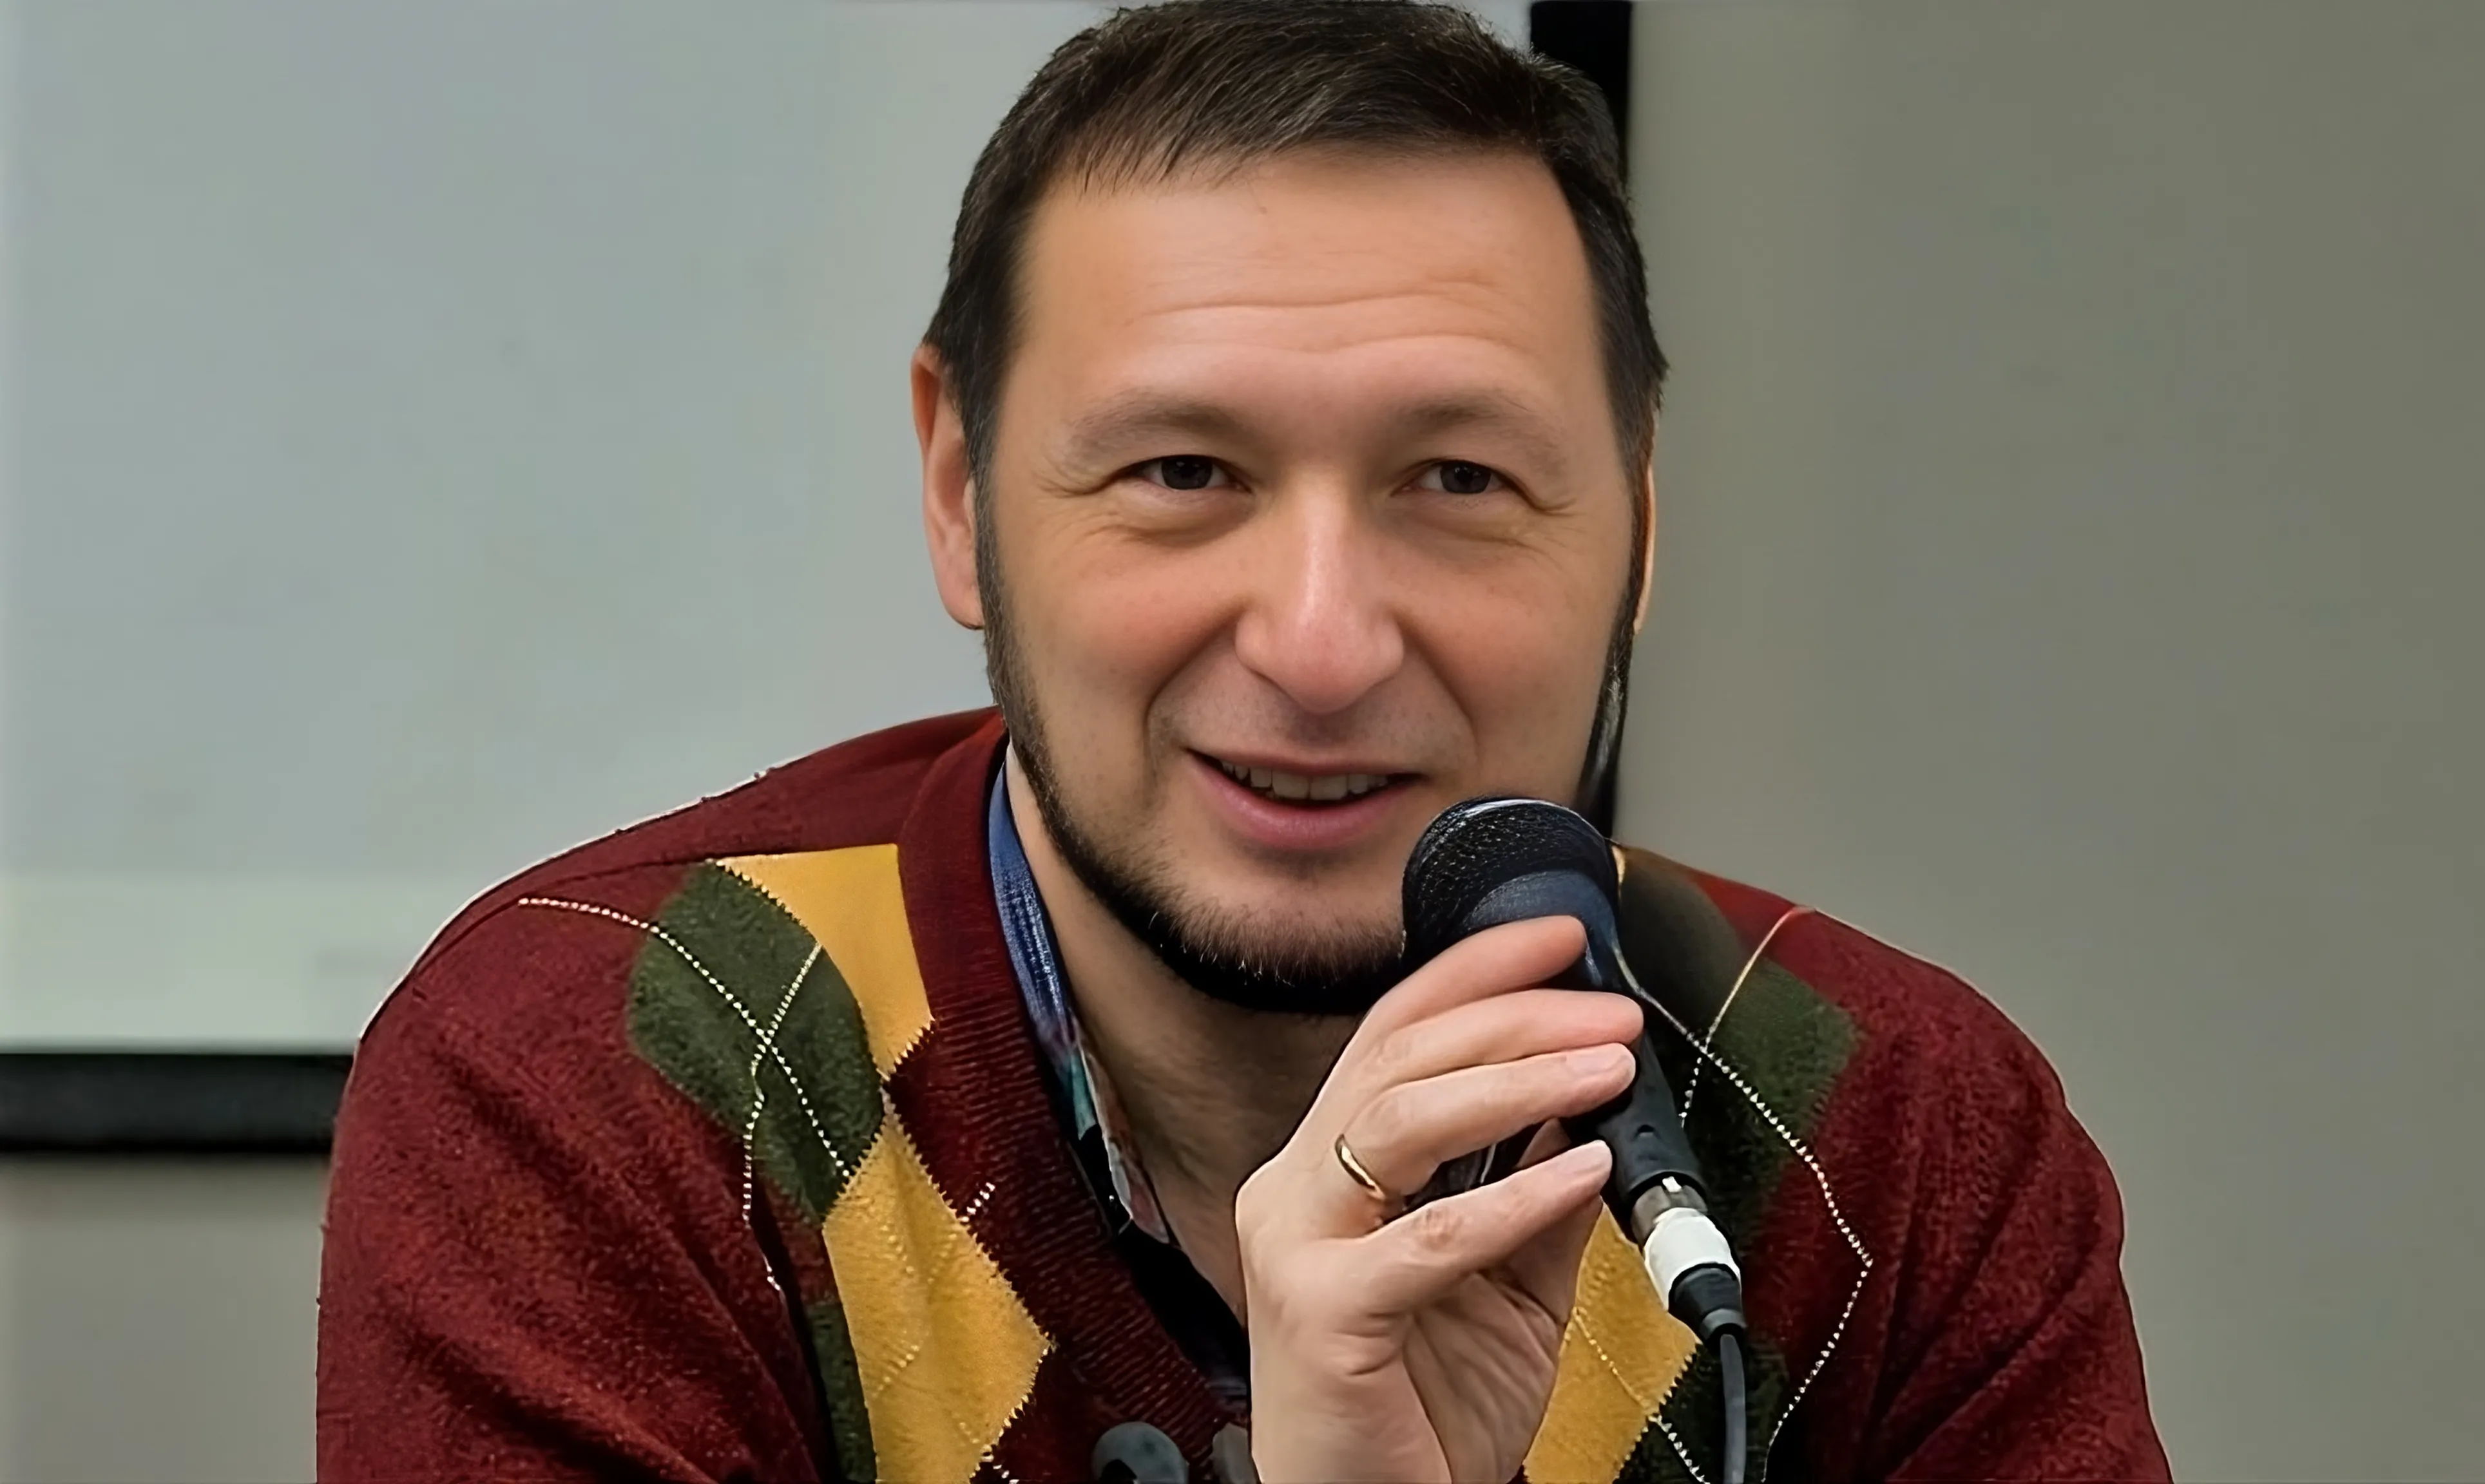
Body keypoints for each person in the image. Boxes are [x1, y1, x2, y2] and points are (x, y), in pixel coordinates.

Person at [317, 3, 2169, 1479]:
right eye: (1184, 472)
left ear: (1640, 526)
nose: (1320, 643)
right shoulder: (616, 1084)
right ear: (961, 490)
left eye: (1460, 480)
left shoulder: (1884, 1140)